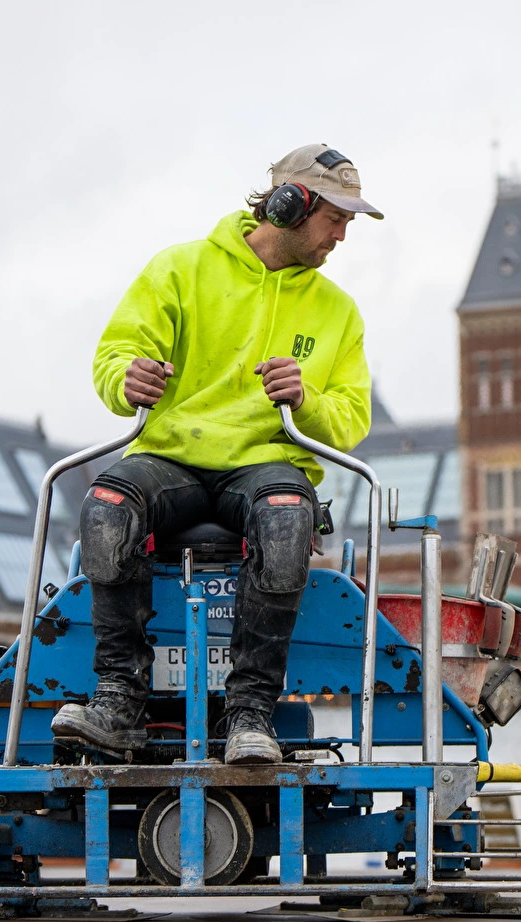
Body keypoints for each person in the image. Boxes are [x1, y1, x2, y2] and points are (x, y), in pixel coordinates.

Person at [51, 144, 381, 764]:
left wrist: (305, 400)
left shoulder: (339, 312)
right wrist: (127, 379)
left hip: (265, 465)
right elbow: (113, 356)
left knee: (287, 515)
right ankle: (119, 700)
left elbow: (351, 419)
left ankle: (251, 714)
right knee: (105, 506)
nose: (342, 234)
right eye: (335, 217)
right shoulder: (179, 270)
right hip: (169, 460)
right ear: (290, 204)